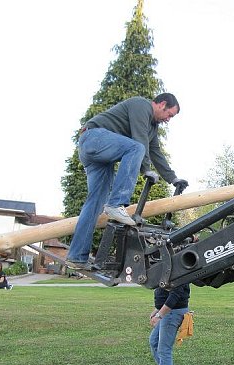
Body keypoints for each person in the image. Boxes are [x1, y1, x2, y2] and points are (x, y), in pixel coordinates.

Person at [66, 93, 189, 270]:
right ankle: (116, 204)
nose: (168, 120)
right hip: (93, 138)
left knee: (94, 205)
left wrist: (173, 178)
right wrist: (146, 169)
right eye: (169, 115)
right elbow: (139, 140)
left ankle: (76, 257)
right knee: (136, 147)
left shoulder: (152, 128)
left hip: (98, 156)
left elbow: (155, 152)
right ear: (162, 104)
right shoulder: (141, 106)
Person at [147, 283, 191, 365]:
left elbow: (175, 294)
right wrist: (157, 309)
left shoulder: (178, 269)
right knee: (154, 341)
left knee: (164, 349)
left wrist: (159, 315)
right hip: (168, 311)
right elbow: (164, 291)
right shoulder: (166, 267)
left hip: (172, 312)